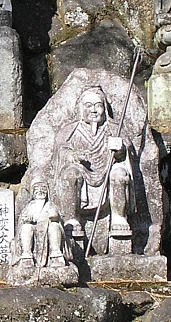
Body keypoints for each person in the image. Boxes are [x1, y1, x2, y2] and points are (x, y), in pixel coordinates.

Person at [50, 86, 135, 255]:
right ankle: (71, 219)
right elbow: (61, 151)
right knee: (70, 174)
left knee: (120, 174)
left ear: (105, 108)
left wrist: (120, 149)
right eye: (88, 105)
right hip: (81, 174)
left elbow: (127, 152)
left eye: (98, 105)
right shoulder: (71, 130)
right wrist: (73, 156)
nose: (94, 110)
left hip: (107, 174)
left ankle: (119, 217)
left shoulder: (114, 128)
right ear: (81, 109)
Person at [15, 178, 67, 268]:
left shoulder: (50, 205)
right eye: (37, 188)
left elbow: (59, 218)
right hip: (34, 231)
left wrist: (55, 217)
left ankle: (56, 254)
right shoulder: (30, 205)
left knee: (54, 226)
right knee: (26, 227)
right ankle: (26, 255)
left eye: (43, 188)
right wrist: (26, 219)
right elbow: (22, 220)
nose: (40, 191)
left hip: (47, 230)